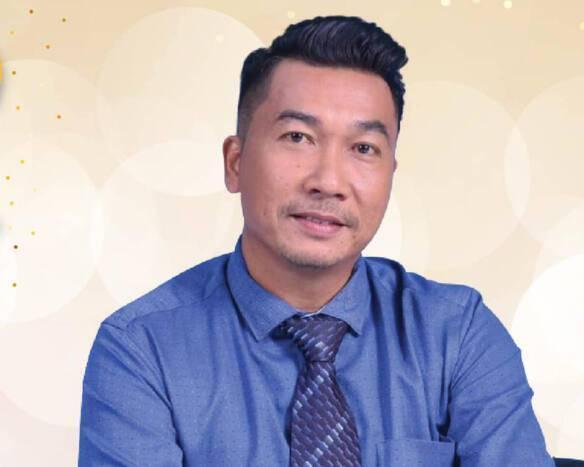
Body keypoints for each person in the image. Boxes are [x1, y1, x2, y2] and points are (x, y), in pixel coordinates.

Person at [78, 15, 555, 466]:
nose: (328, 181)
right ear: (235, 163)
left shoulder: (457, 334)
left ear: (391, 173)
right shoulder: (142, 351)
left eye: (363, 148)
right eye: (297, 137)